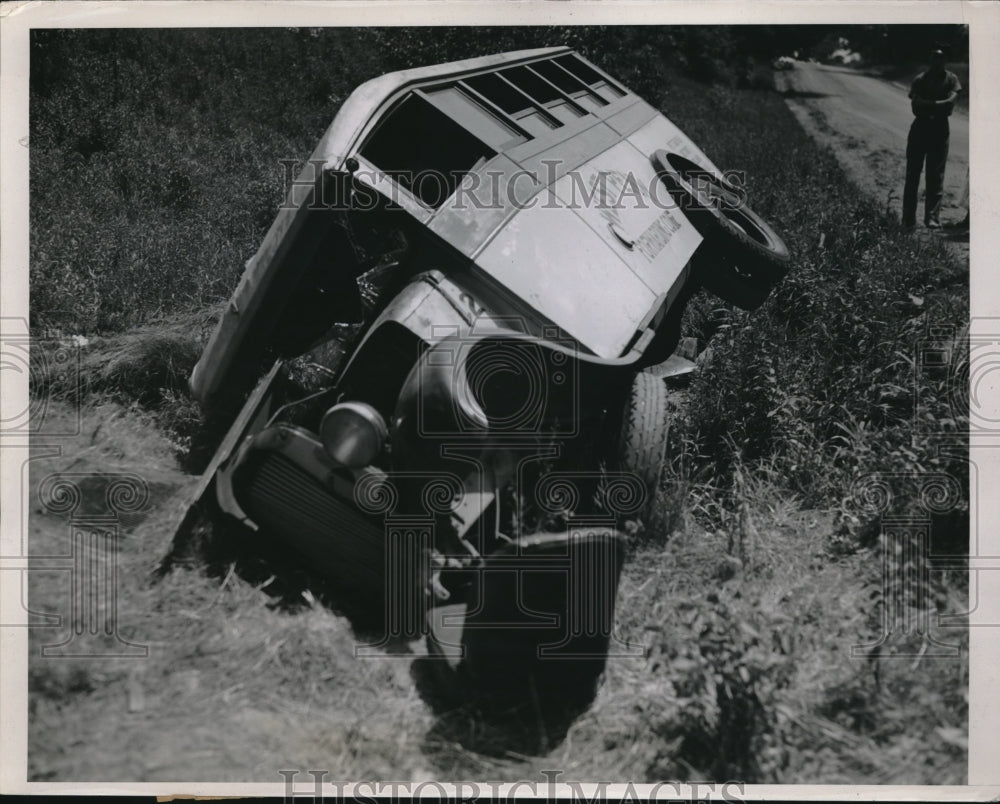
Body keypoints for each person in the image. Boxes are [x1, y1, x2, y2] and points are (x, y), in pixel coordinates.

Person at [902, 48, 962, 229]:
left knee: (936, 175)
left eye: (941, 58)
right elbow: (916, 104)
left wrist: (930, 105)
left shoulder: (951, 79)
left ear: (946, 60)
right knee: (913, 173)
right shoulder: (920, 79)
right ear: (930, 59)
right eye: (935, 57)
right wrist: (938, 105)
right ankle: (908, 218)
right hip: (920, 127)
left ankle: (932, 217)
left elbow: (951, 101)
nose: (937, 61)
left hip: (940, 129)